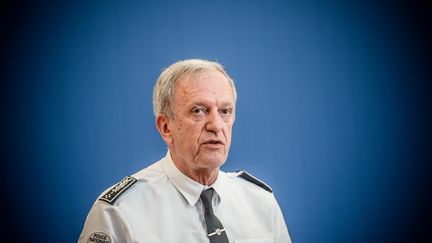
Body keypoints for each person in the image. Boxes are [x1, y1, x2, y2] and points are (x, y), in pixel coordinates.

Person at [78, 59, 292, 243]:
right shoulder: (119, 212)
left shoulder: (260, 202)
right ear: (166, 127)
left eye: (225, 111)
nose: (216, 125)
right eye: (199, 111)